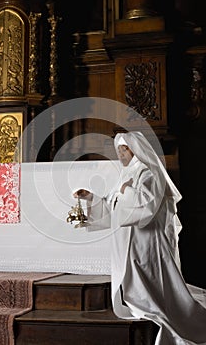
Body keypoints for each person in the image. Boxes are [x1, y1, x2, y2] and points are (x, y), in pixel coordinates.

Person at [74, 131, 206, 345]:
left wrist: (128, 191)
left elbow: (148, 205)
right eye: (118, 150)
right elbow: (112, 204)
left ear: (135, 149)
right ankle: (142, 304)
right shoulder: (125, 173)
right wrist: (90, 197)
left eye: (123, 149)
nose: (120, 154)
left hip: (145, 239)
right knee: (134, 277)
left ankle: (156, 308)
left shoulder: (148, 172)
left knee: (149, 277)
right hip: (127, 238)